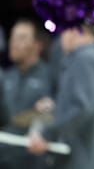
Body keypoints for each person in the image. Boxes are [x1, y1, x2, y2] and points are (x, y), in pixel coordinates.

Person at [27, 24, 94, 169]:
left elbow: (81, 108)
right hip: (90, 153)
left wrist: (47, 134)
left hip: (84, 157)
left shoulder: (83, 59)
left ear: (74, 31)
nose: (60, 40)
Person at [0, 18, 53, 169]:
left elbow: (54, 117)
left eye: (21, 38)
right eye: (12, 37)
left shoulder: (50, 78)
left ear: (37, 45)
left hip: (31, 161)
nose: (14, 43)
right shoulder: (5, 76)